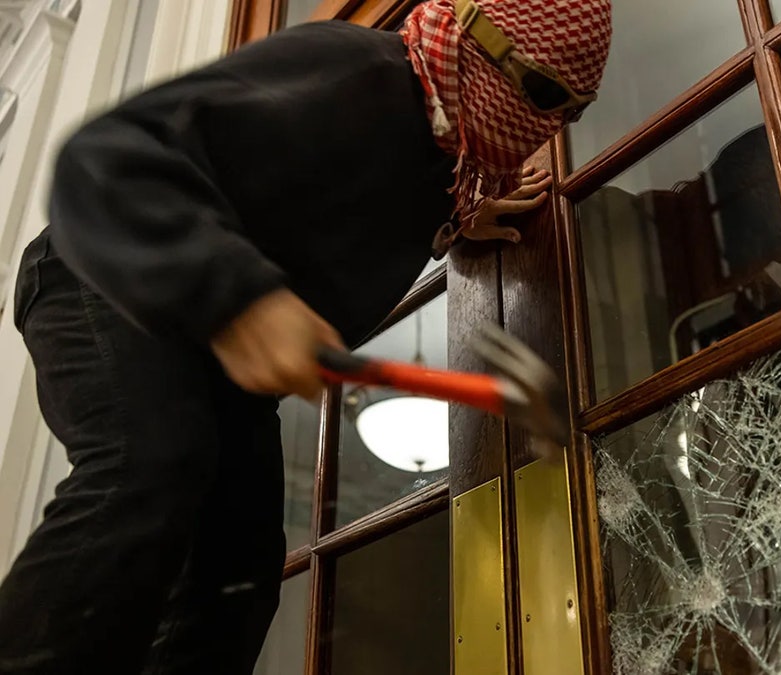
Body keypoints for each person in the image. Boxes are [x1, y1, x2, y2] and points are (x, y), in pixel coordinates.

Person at [0, 0, 612, 671]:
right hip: (104, 280)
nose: (549, 125)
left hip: (210, 361)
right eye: (546, 94)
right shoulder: (349, 73)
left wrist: (461, 217)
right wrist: (242, 298)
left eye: (575, 111)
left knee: (239, 566)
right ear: (476, 42)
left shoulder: (438, 157)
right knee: (152, 462)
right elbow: (101, 162)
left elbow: (358, 190)